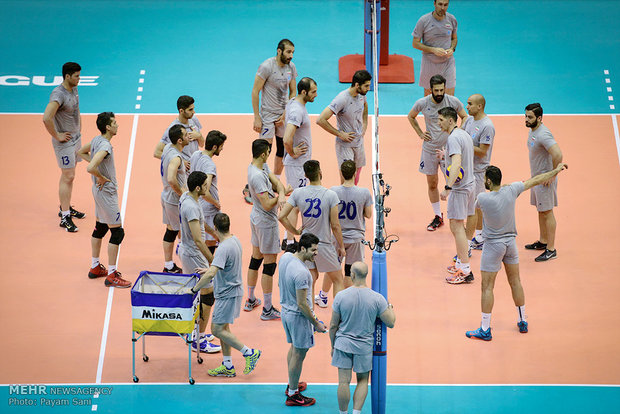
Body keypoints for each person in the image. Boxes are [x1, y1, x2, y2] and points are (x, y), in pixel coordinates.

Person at [466, 163, 568, 340]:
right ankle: (522, 321)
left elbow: (474, 208)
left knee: (487, 287)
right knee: (515, 282)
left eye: (485, 180)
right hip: (511, 244)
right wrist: (556, 170)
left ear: (489, 181)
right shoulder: (512, 190)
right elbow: (536, 179)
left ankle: (485, 329)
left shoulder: (483, 198)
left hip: (493, 247)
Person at [190, 213, 262, 376]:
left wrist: (193, 290)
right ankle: (228, 366)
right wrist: (210, 269)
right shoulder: (234, 240)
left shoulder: (222, 248)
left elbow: (211, 274)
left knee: (216, 330)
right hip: (231, 291)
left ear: (214, 228)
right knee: (224, 328)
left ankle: (249, 353)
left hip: (227, 294)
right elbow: (222, 266)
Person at [329, 262, 395, 414]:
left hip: (343, 344)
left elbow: (333, 325)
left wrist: (333, 345)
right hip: (364, 347)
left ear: (352, 275)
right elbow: (391, 322)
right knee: (363, 380)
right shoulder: (377, 299)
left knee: (343, 382)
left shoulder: (340, 296)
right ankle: (356, 412)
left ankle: (343, 413)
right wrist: (390, 307)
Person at [279, 160, 346, 302]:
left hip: (306, 245)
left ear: (306, 175)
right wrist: (341, 246)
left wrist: (295, 231)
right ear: (320, 173)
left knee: (310, 283)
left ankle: (311, 322)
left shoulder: (298, 193)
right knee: (338, 280)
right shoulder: (330, 195)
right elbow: (335, 225)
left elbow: (281, 216)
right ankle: (339, 321)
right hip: (324, 244)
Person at [77, 112, 131, 288]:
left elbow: (81, 152)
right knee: (117, 233)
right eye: (114, 123)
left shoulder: (96, 140)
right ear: (107, 127)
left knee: (100, 228)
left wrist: (97, 173)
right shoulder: (105, 146)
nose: (117, 125)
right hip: (106, 192)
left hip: (98, 192)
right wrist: (100, 176)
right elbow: (91, 167)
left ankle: (95, 267)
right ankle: (112, 274)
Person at [407, 74, 467, 231]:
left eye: (442, 90)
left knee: (454, 182)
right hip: (430, 148)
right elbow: (411, 116)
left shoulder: (452, 101)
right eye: (436, 90)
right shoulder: (423, 103)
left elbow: (465, 116)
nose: (440, 93)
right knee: (432, 183)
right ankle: (438, 216)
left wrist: (457, 132)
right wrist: (420, 133)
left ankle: (458, 215)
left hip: (449, 149)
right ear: (430, 90)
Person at [315, 160, 373, 307]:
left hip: (336, 237)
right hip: (355, 239)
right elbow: (368, 214)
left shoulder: (333, 191)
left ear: (341, 173)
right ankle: (346, 304)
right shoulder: (364, 192)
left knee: (332, 268)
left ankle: (323, 296)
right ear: (355, 173)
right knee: (349, 272)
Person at [279, 233, 326, 406]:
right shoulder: (302, 273)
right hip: (298, 318)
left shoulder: (286, 258)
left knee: (294, 350)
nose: (316, 253)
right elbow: (302, 304)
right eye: (313, 250)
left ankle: (292, 382)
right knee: (299, 354)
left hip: (286, 312)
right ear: (303, 248)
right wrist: (316, 324)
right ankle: (293, 394)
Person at [178, 171, 221, 354]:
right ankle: (199, 338)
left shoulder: (186, 197)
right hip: (194, 253)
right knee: (207, 294)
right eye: (205, 185)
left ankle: (196, 332)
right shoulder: (192, 207)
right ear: (197, 188)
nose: (207, 187)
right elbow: (197, 239)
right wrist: (213, 261)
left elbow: (200, 226)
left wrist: (214, 234)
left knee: (200, 294)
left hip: (188, 250)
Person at [245, 139, 287, 320]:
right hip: (265, 222)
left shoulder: (260, 165)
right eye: (269, 151)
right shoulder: (256, 176)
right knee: (269, 265)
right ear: (263, 153)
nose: (270, 154)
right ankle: (268, 309)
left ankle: (251, 299)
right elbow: (268, 204)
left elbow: (275, 180)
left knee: (256, 258)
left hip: (256, 218)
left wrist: (282, 192)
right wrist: (280, 198)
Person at [43, 62, 86, 232]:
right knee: (68, 176)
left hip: (75, 138)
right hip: (65, 143)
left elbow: (77, 108)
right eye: (76, 76)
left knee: (70, 176)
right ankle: (65, 217)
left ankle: (65, 207)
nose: (79, 79)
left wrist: (79, 129)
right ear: (67, 76)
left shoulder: (74, 88)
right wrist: (57, 135)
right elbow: (47, 118)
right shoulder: (58, 95)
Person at [251, 38, 297, 183]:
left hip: (283, 115)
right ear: (279, 51)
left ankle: (275, 181)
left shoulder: (291, 67)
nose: (291, 55)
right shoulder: (266, 66)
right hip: (268, 116)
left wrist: (285, 113)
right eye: (288, 52)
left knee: (282, 149)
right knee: (263, 151)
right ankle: (252, 183)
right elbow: (255, 91)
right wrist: (257, 117)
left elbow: (293, 92)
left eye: (293, 52)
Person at [438, 107, 475, 284]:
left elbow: (458, 163)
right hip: (470, 184)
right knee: (459, 226)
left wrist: (447, 187)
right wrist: (445, 156)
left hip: (460, 189)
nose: (438, 123)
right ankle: (461, 262)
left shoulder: (452, 138)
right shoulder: (463, 134)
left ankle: (465, 270)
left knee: (456, 226)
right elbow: (460, 156)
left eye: (441, 120)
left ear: (450, 120)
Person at [524, 103, 563, 262]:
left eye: (530, 117)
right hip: (537, 179)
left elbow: (558, 155)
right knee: (541, 211)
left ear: (539, 118)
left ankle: (551, 249)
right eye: (525, 116)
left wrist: (552, 175)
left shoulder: (543, 134)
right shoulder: (533, 130)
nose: (526, 119)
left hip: (544, 180)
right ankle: (543, 241)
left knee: (547, 212)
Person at [281, 77, 318, 250]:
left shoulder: (293, 103)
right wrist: (293, 151)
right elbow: (287, 138)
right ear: (304, 92)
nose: (316, 95)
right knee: (296, 204)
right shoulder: (297, 111)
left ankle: (286, 237)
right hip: (297, 165)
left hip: (299, 164)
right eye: (313, 92)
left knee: (296, 202)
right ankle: (290, 243)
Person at [316, 70, 370, 184]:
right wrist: (340, 134)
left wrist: (365, 124)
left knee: (356, 177)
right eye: (366, 86)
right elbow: (320, 120)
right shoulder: (342, 99)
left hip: (359, 142)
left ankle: (353, 199)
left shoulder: (361, 95)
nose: (368, 89)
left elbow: (365, 105)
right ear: (357, 85)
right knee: (347, 180)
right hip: (345, 146)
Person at [463, 94, 495, 250]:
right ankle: (477, 233)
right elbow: (461, 135)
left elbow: (482, 151)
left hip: (479, 171)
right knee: (472, 204)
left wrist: (465, 145)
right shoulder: (469, 120)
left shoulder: (487, 126)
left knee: (477, 205)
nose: (467, 107)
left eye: (469, 104)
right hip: (468, 169)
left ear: (479, 106)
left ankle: (481, 236)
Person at [189, 130, 227, 252]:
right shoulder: (210, 165)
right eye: (221, 146)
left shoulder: (196, 155)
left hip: (197, 204)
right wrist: (216, 203)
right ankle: (208, 268)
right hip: (209, 209)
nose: (222, 149)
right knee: (210, 242)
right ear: (214, 147)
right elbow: (204, 191)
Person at [412, 0, 458, 96]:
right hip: (429, 63)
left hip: (447, 62)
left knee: (449, 98)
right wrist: (433, 50)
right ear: (434, 4)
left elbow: (454, 39)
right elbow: (415, 43)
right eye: (440, 4)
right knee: (429, 98)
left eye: (445, 5)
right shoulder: (423, 21)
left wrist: (452, 48)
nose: (442, 8)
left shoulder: (452, 19)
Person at [160, 124, 189, 273]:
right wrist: (182, 193)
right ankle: (179, 264)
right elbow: (172, 178)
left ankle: (169, 265)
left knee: (170, 230)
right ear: (179, 140)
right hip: (173, 200)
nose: (188, 136)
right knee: (180, 232)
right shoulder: (176, 157)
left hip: (166, 195)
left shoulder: (168, 148)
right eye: (185, 135)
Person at [153, 95, 204, 165]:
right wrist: (180, 162)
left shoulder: (193, 119)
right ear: (181, 111)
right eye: (190, 110)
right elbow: (157, 153)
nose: (194, 112)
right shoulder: (173, 129)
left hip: (196, 165)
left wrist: (199, 136)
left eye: (193, 109)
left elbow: (202, 144)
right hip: (185, 171)